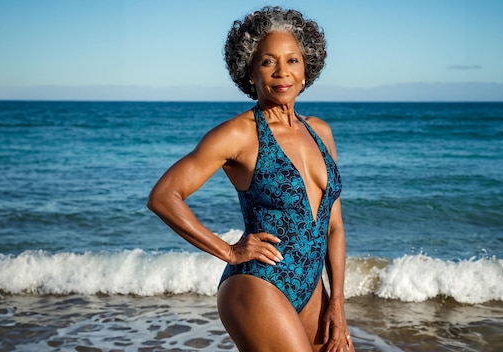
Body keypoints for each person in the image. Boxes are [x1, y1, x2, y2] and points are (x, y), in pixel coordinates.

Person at [147, 6, 354, 352]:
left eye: (292, 60)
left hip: (312, 289)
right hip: (258, 284)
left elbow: (333, 227)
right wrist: (229, 250)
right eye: (268, 62)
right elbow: (164, 196)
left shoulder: (320, 131)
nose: (281, 72)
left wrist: (338, 306)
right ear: (250, 73)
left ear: (306, 71)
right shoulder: (240, 135)